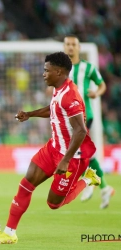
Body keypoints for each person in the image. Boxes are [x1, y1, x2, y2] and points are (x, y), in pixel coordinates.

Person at [0, 52, 100, 245]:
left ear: (59, 71)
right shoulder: (59, 89)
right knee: (26, 182)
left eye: (46, 70)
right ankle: (9, 233)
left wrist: (65, 160)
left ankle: (88, 179)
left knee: (53, 204)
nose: (43, 74)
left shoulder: (70, 96)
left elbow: (80, 131)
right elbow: (53, 108)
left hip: (71, 158)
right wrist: (30, 114)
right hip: (53, 148)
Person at [64, 35, 115, 209]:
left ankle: (87, 183)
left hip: (85, 115)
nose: (71, 47)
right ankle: (104, 187)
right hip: (68, 117)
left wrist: (97, 93)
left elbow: (101, 85)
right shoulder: (61, 68)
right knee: (83, 152)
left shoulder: (87, 68)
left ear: (79, 48)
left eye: (74, 44)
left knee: (77, 151)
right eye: (68, 44)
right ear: (65, 47)